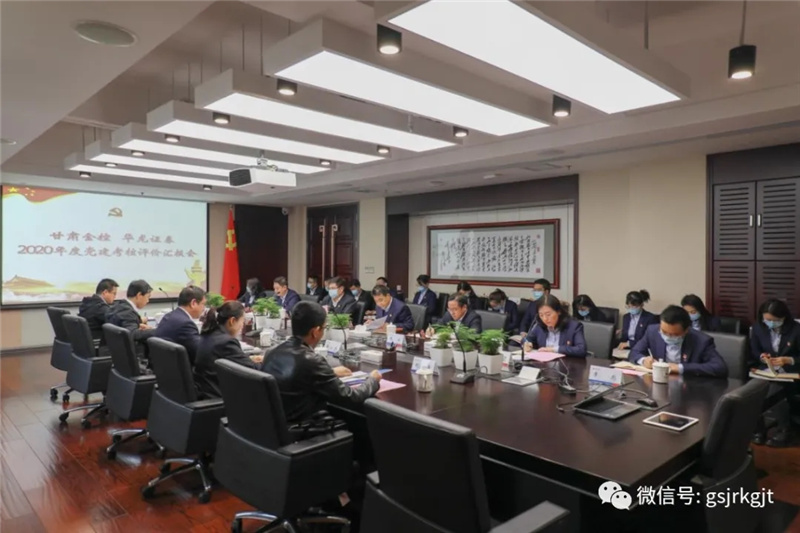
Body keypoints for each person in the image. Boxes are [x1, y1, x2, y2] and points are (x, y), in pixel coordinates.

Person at [260, 301, 381, 423]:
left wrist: (329, 371)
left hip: (275, 426)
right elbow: (352, 398)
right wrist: (373, 380)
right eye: (324, 328)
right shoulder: (312, 361)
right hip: (304, 428)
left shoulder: (271, 352)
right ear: (315, 331)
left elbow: (300, 375)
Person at [750, 299, 800, 447]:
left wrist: (789, 360)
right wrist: (762, 357)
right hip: (767, 370)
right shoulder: (758, 328)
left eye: (774, 320)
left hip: (791, 373)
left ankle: (784, 430)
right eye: (767, 320)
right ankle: (758, 429)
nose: (770, 323)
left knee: (778, 389)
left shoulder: (796, 330)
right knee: (753, 390)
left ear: (784, 317)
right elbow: (755, 350)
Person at [628, 305, 728, 378]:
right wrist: (643, 360)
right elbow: (634, 352)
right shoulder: (653, 331)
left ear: (686, 330)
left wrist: (680, 368)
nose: (667, 336)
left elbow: (720, 368)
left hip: (689, 387)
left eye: (674, 334)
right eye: (664, 332)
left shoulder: (701, 340)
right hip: (660, 383)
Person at [194, 301, 263, 399]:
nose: (242, 325)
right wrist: (268, 361)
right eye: (242, 321)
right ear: (232, 321)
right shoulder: (226, 342)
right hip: (219, 398)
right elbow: (254, 371)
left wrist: (249, 358)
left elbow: (231, 358)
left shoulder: (209, 334)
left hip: (207, 390)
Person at [154, 285, 206, 365]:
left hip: (163, 367)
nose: (204, 308)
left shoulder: (169, 316)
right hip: (179, 369)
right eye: (203, 304)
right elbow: (200, 354)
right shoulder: (186, 324)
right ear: (193, 303)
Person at [107, 279, 156, 344]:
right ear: (139, 295)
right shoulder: (127, 312)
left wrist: (138, 325)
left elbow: (127, 325)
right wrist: (157, 331)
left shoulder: (120, 305)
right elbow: (133, 334)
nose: (148, 301)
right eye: (148, 297)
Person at [78, 278, 118, 342]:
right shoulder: (100, 308)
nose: (115, 297)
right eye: (114, 293)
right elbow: (116, 321)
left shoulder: (87, 303)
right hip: (97, 342)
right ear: (105, 292)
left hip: (85, 341)